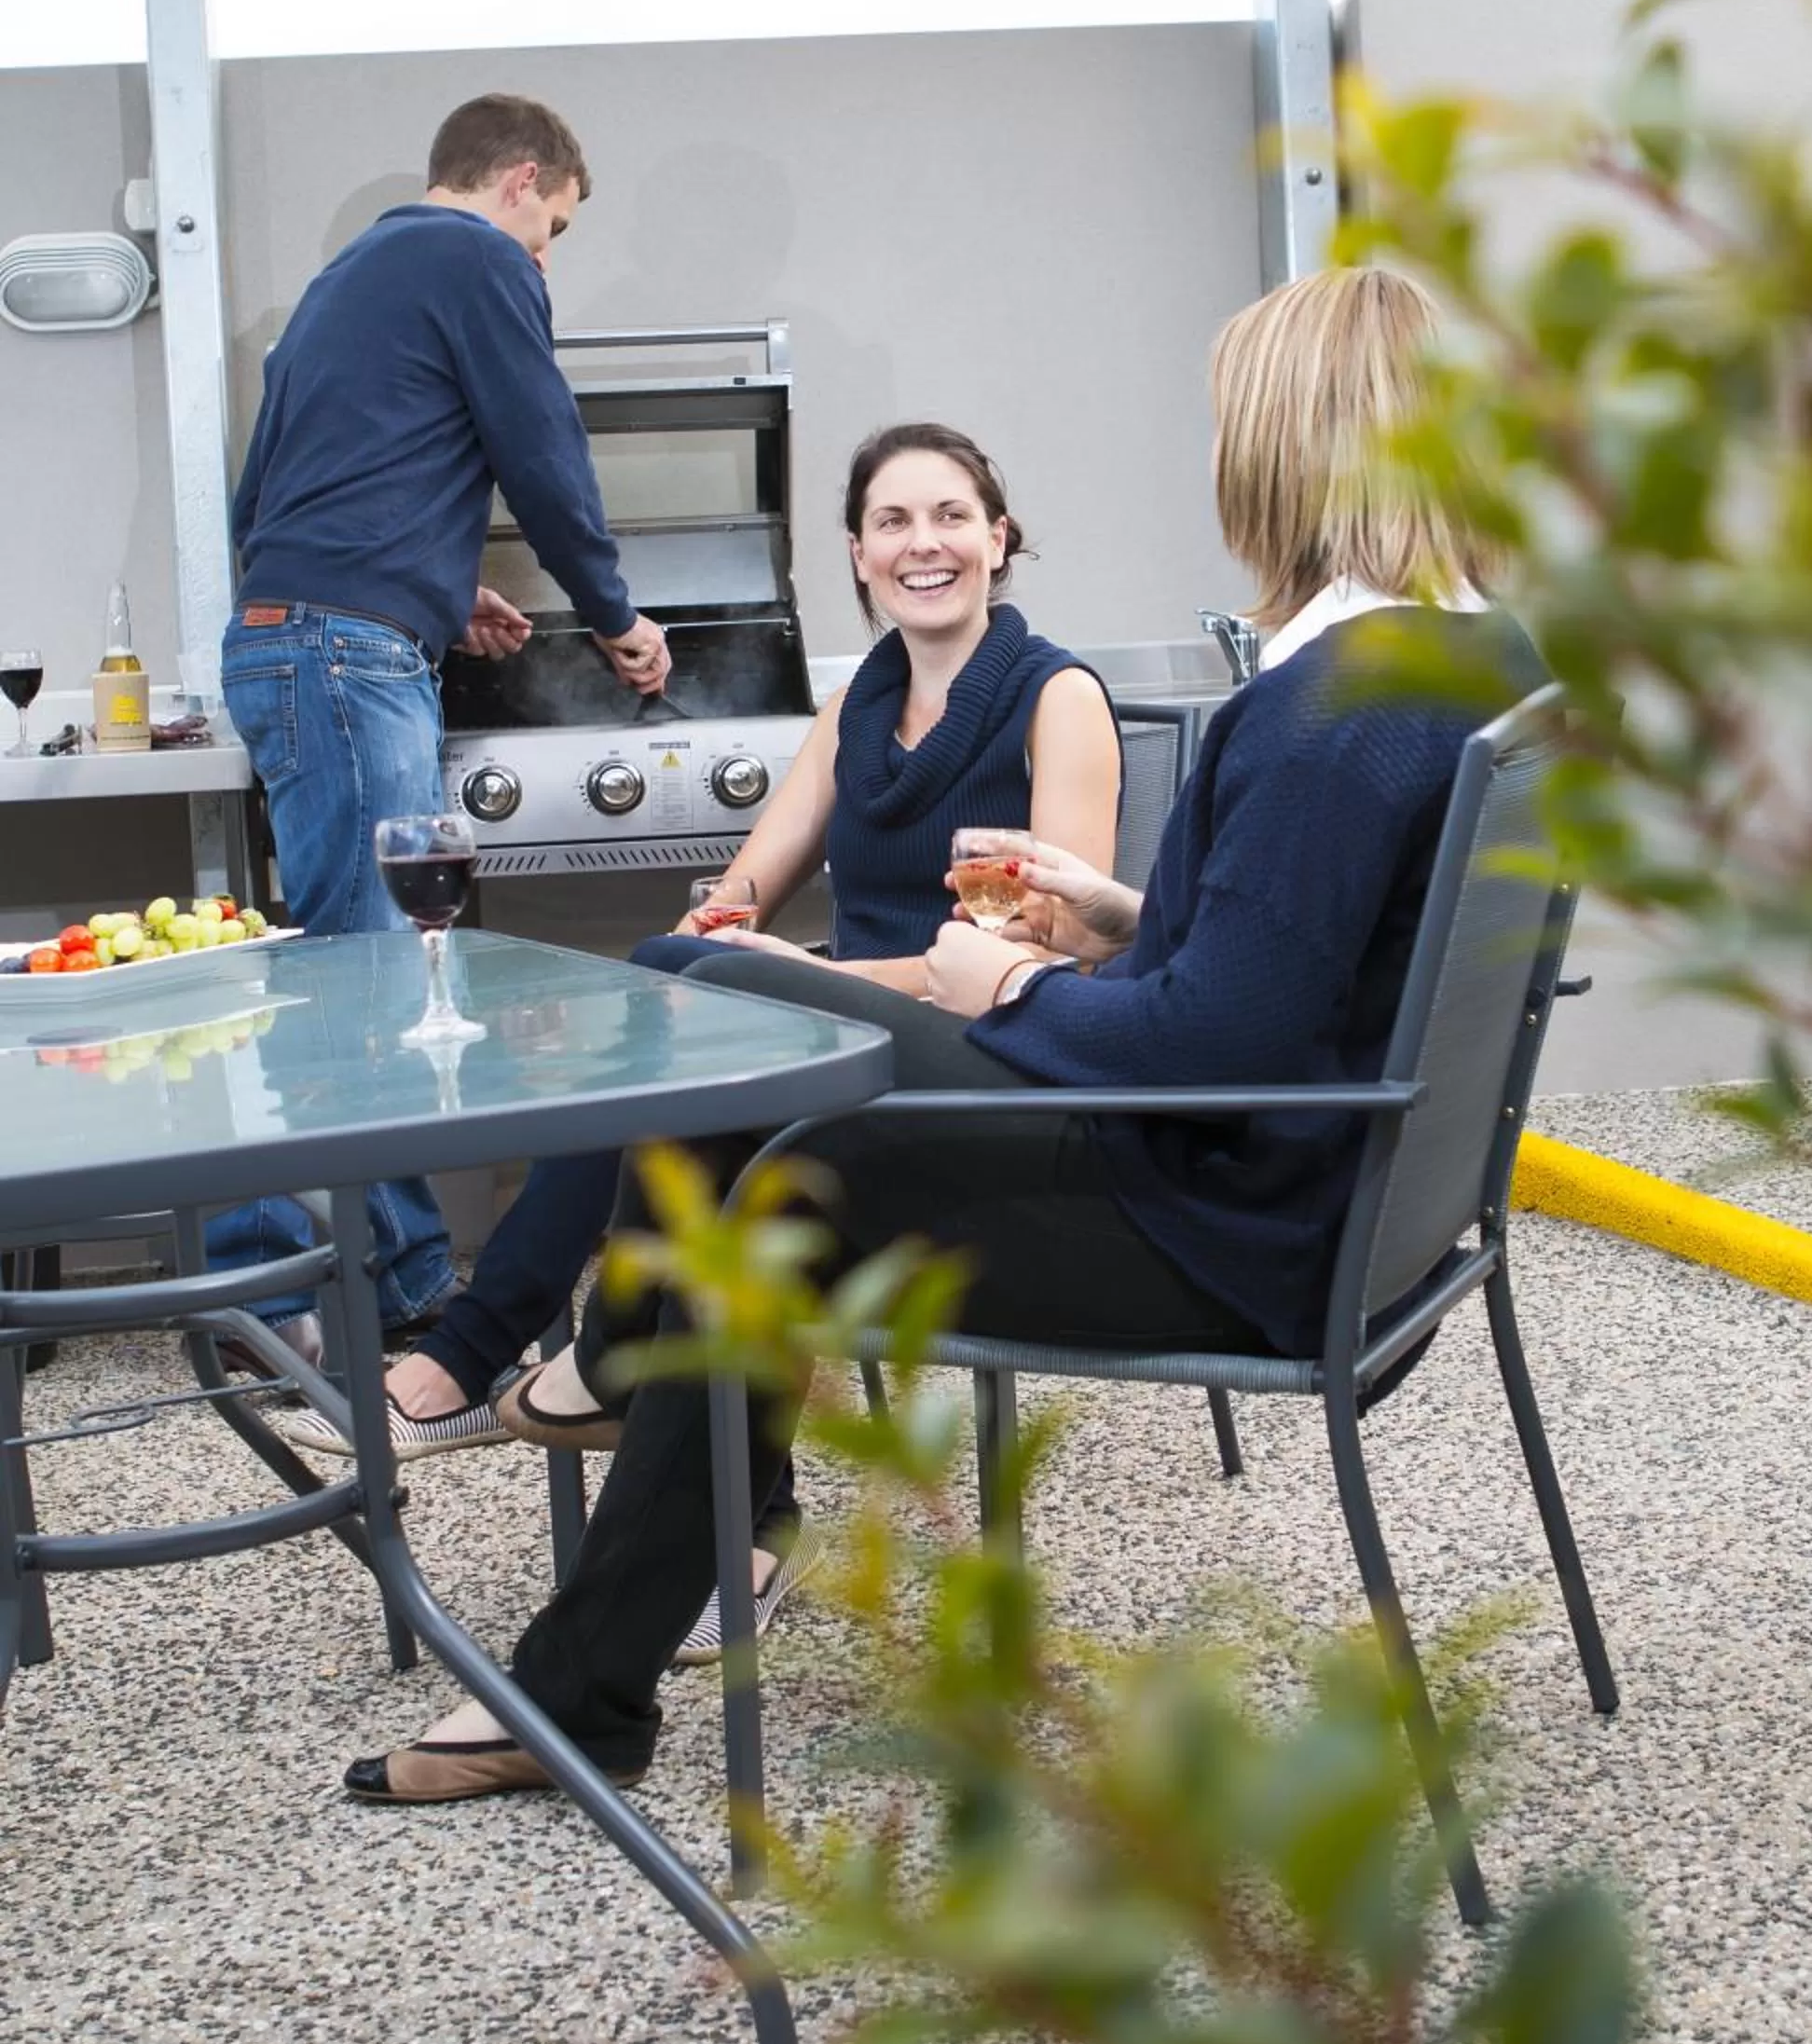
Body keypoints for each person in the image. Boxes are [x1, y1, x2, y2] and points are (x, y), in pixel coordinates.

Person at [345, 264, 1542, 1804]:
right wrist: (1113, 916)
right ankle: (592, 1598)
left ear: (1290, 448)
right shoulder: (1474, 661)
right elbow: (1304, 966)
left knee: (739, 1127)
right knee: (738, 1095)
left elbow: (1210, 1040)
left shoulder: (1333, 708)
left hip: (1220, 1219)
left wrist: (1015, 986)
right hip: (1326, 1199)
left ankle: (607, 1458)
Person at [306, 423, 1122, 1656]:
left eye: (951, 516)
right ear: (856, 557)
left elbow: (1060, 949)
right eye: (894, 523)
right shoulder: (858, 707)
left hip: (985, 1056)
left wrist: (804, 973)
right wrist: (729, 919)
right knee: (680, 997)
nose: (924, 545)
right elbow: (749, 884)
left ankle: (511, 1356)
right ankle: (736, 1512)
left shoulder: (1058, 697)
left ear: (999, 540)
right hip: (847, 1037)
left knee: (684, 1013)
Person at [210, 95, 671, 1363]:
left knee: (340, 964)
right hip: (345, 657)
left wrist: (430, 588)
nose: (545, 258)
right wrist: (615, 619)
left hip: (305, 637)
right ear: (521, 181)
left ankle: (338, 1275)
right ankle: (351, 1289)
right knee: (370, 978)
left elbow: (274, 497)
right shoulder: (474, 255)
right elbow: (542, 447)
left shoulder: (350, 275)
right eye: (556, 229)